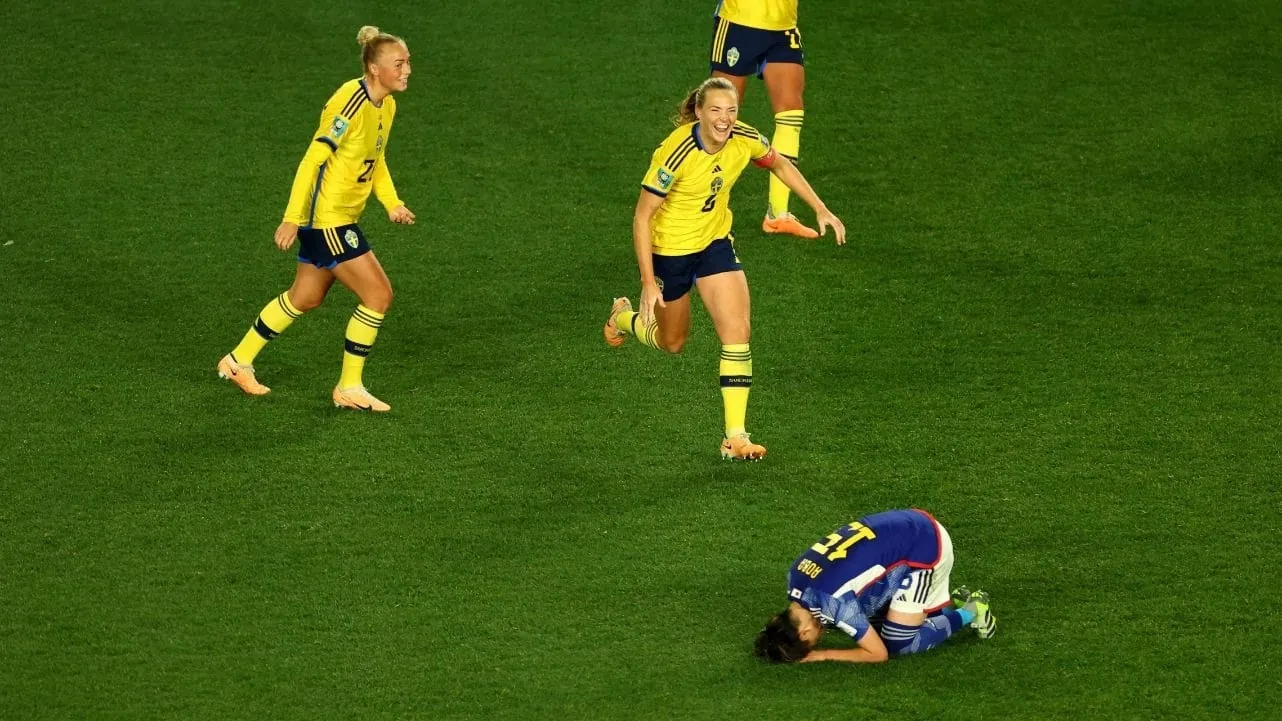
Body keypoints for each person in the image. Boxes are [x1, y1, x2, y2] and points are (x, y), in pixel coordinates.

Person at [603, 77, 845, 461]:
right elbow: (641, 217)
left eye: (731, 110)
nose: (724, 118)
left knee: (737, 332)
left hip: (715, 243)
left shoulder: (743, 137)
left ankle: (736, 437)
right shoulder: (675, 153)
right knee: (673, 342)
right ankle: (624, 318)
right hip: (671, 252)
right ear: (699, 111)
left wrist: (819, 207)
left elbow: (779, 163)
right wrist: (649, 284)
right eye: (715, 110)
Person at [216, 25, 415, 412]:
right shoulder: (349, 103)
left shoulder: (386, 105)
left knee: (304, 298)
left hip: (336, 219)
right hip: (329, 221)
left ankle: (238, 361)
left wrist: (392, 203)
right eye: (399, 64)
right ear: (374, 68)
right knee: (378, 296)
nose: (407, 70)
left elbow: (376, 159)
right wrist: (292, 218)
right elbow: (313, 159)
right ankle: (349, 387)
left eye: (408, 62)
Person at [753, 508, 997, 663]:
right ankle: (937, 609)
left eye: (813, 643)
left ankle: (972, 610)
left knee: (898, 643)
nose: (822, 638)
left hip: (926, 549)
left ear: (805, 633)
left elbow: (877, 654)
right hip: (907, 523)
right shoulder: (794, 577)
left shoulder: (833, 604)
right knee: (868, 622)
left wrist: (823, 655)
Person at [709, 0, 816, 238]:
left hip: (783, 27)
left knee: (791, 114)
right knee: (718, 115)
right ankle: (694, 207)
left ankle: (777, 214)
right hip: (740, 21)